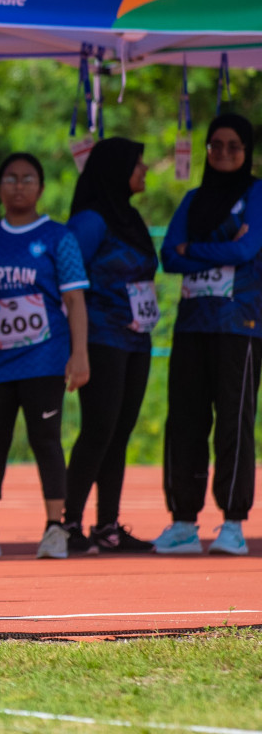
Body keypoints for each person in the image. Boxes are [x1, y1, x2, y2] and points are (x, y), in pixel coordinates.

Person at [0, 153, 91, 560]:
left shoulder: (60, 238)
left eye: (27, 179)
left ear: (40, 188)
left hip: (44, 359)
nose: (18, 186)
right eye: (10, 178)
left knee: (46, 440)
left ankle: (55, 528)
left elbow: (75, 301)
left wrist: (80, 355)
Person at [156, 113, 262, 556]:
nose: (222, 153)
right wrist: (209, 253)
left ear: (247, 150)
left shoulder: (257, 193)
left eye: (233, 145)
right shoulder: (193, 198)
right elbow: (168, 256)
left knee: (234, 422)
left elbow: (246, 248)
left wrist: (192, 250)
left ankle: (233, 523)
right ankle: (183, 521)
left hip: (240, 323)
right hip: (192, 323)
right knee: (184, 420)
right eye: (215, 145)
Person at [62, 137, 158, 554]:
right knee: (99, 429)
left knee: (120, 432)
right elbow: (65, 275)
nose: (145, 170)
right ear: (117, 170)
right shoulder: (91, 220)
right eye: (138, 164)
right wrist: (75, 344)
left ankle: (107, 526)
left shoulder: (130, 218)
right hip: (100, 336)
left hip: (137, 337)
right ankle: (67, 525)